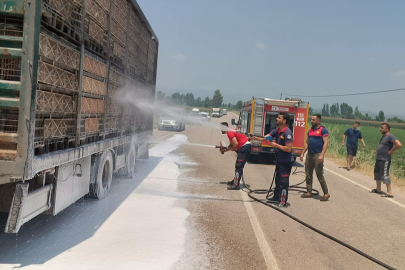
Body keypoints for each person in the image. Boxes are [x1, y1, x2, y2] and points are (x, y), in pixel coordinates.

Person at [250, 113, 294, 206]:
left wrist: (276, 145)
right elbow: (265, 138)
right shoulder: (277, 130)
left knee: (283, 182)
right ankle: (276, 197)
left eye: (279, 118)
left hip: (286, 161)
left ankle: (283, 201)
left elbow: (288, 148)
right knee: (277, 180)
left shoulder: (287, 132)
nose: (277, 119)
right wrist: (254, 137)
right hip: (279, 160)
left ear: (284, 120)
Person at [300, 114, 330, 201]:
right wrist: (302, 153)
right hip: (310, 154)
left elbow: (326, 143)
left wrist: (322, 154)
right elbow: (307, 143)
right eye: (311, 119)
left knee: (319, 174)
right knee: (308, 174)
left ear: (318, 121)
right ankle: (309, 192)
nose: (311, 121)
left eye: (313, 120)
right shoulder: (310, 131)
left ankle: (326, 193)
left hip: (318, 154)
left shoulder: (323, 130)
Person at [370, 123, 402, 198]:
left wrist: (391, 151)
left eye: (382, 128)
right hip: (379, 158)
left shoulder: (390, 136)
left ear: (387, 129)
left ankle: (389, 192)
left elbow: (399, 144)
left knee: (385, 175)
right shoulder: (384, 136)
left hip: (385, 159)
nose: (380, 129)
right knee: (377, 173)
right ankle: (378, 189)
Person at [220, 122, 251, 190]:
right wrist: (225, 150)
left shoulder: (230, 132)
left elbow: (235, 144)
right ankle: (235, 181)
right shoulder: (231, 131)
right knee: (238, 166)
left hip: (244, 148)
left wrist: (232, 149)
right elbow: (232, 145)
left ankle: (236, 184)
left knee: (239, 166)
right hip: (245, 147)